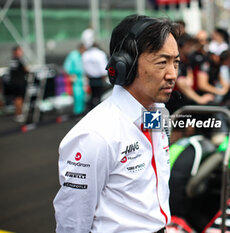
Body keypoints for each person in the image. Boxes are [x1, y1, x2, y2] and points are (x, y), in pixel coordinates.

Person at [53, 15, 180, 233]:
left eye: (176, 62)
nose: (172, 74)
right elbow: (72, 223)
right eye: (162, 63)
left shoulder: (159, 113)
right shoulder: (94, 135)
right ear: (125, 65)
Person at [82, 42, 108, 110]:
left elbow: (84, 67)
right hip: (99, 78)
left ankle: (92, 107)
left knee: (92, 95)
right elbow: (103, 67)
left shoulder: (86, 54)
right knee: (99, 96)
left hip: (90, 78)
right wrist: (104, 76)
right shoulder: (100, 54)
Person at [63, 43, 86, 115]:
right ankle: (78, 111)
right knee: (77, 94)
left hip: (81, 77)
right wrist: (71, 75)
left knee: (83, 95)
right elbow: (67, 67)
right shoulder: (73, 55)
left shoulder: (82, 55)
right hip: (75, 77)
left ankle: (82, 110)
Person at [9, 46, 28, 122]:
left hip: (13, 82)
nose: (21, 52)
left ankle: (17, 114)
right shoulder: (19, 60)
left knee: (16, 99)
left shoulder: (12, 60)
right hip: (19, 82)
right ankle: (19, 115)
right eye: (20, 50)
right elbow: (26, 69)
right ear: (16, 51)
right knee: (19, 99)